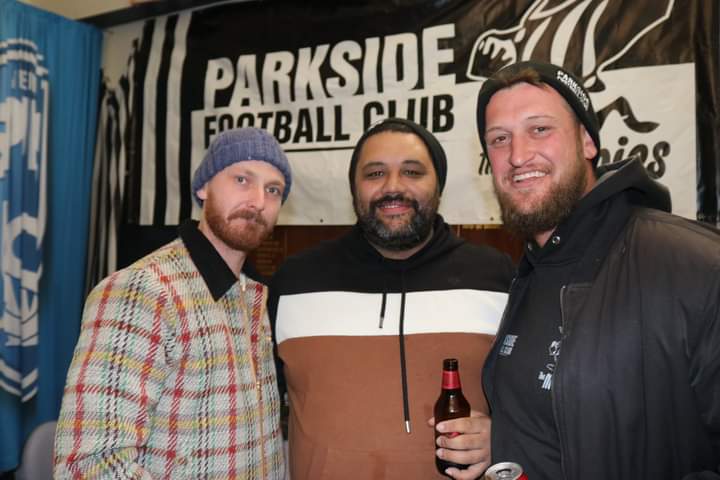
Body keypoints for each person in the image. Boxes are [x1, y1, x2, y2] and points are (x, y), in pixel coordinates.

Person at [475, 60, 720, 479]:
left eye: (540, 129)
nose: (517, 155)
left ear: (587, 141)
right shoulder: (530, 272)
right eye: (499, 139)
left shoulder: (697, 265)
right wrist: (500, 439)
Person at [268, 117, 515, 479]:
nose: (393, 187)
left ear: (439, 186)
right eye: (375, 173)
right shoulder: (294, 281)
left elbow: (540, 403)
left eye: (413, 172)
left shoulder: (498, 277)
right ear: (353, 189)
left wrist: (503, 435)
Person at [54, 127, 292, 479]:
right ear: (204, 187)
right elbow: (92, 467)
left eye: (273, 190)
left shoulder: (252, 297)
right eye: (242, 179)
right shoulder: (143, 290)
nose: (259, 201)